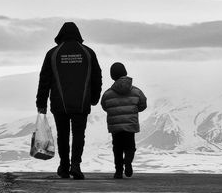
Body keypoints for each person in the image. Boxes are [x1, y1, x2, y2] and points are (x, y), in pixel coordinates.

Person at [36, 22, 102, 179]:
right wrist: (94, 98)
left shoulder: (53, 53)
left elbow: (44, 79)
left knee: (63, 135)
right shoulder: (88, 53)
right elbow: (96, 77)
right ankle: (76, 165)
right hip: (82, 102)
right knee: (79, 134)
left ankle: (64, 166)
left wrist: (41, 103)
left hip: (60, 104)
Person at [100, 62, 147, 179]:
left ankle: (118, 171)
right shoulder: (137, 91)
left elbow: (105, 106)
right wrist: (134, 111)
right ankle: (128, 161)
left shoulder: (108, 93)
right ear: (125, 73)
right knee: (130, 146)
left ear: (112, 76)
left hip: (115, 127)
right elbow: (143, 104)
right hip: (130, 125)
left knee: (117, 148)